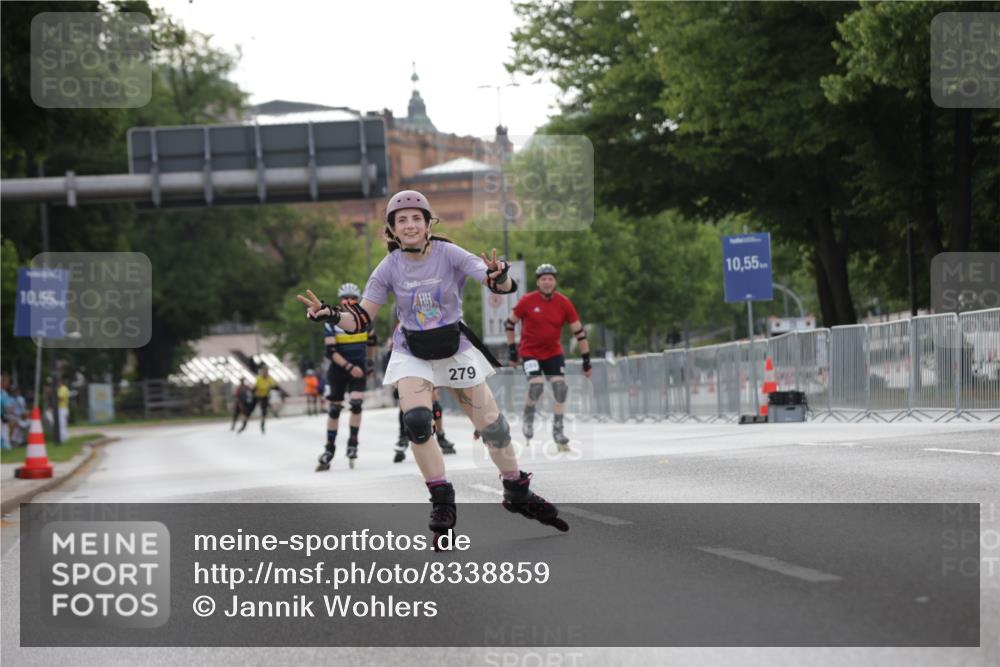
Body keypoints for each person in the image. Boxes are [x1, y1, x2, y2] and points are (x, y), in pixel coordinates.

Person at [298, 189, 567, 547]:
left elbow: (497, 283)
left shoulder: (448, 252)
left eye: (416, 218)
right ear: (392, 229)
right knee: (418, 423)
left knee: (494, 428)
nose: (409, 225)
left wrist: (499, 275)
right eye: (401, 220)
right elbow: (361, 319)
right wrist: (331, 314)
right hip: (413, 351)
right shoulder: (389, 267)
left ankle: (516, 489)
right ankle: (441, 499)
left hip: (454, 349)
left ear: (427, 224)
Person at [506, 263, 592, 451]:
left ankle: (558, 430)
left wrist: (586, 361)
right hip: (530, 352)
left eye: (550, 279)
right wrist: (512, 350)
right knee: (536, 386)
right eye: (543, 279)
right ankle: (529, 415)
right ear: (538, 282)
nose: (547, 282)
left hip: (553, 353)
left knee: (560, 389)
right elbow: (509, 323)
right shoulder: (527, 301)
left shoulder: (564, 303)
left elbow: (580, 333)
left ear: (555, 282)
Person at [316, 283, 378, 471]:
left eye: (353, 298)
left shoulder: (365, 322)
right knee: (334, 410)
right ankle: (329, 449)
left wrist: (369, 362)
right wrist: (350, 367)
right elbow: (330, 351)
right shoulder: (332, 321)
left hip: (358, 369)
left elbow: (372, 343)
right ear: (340, 300)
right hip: (339, 369)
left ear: (358, 300)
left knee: (357, 404)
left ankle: (352, 444)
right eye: (345, 298)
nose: (349, 301)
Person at [237, 365, 283, 434]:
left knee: (264, 412)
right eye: (264, 371)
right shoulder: (258, 378)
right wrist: (252, 391)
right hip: (257, 396)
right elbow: (255, 387)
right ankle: (244, 425)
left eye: (266, 371)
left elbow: (275, 386)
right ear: (261, 372)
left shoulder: (269, 379)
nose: (265, 373)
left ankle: (262, 426)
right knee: (249, 411)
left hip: (264, 397)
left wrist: (279, 390)